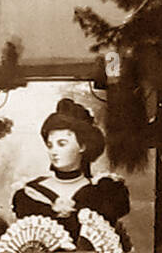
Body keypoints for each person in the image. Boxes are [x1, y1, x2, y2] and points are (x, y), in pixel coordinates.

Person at [11, 99, 129, 243]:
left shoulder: (105, 191)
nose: (54, 151)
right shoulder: (31, 193)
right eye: (50, 145)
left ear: (82, 146)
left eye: (62, 144)